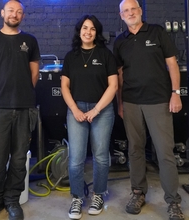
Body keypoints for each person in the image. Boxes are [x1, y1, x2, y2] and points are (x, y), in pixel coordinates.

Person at [113, 1, 185, 220]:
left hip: (159, 102)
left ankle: (173, 202)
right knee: (135, 150)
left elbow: (172, 64)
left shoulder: (157, 32)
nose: (130, 13)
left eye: (133, 9)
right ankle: (138, 192)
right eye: (126, 11)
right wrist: (120, 103)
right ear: (121, 15)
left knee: (165, 153)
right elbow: (119, 75)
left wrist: (176, 92)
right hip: (132, 102)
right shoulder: (120, 41)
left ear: (140, 11)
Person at [0, 1, 40, 220]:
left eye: (19, 11)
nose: (15, 14)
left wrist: (22, 94)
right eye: (11, 10)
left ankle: (12, 200)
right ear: (2, 13)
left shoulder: (30, 41)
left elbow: (34, 74)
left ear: (23, 16)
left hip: (25, 110)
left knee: (18, 159)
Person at [61, 15, 118, 220]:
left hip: (101, 111)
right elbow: (64, 87)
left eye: (92, 29)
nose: (88, 32)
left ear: (97, 32)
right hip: (76, 109)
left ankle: (99, 194)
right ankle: (77, 197)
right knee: (76, 158)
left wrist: (95, 111)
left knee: (101, 156)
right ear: (79, 31)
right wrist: (75, 109)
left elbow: (113, 86)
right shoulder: (71, 56)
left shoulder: (105, 54)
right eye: (85, 28)